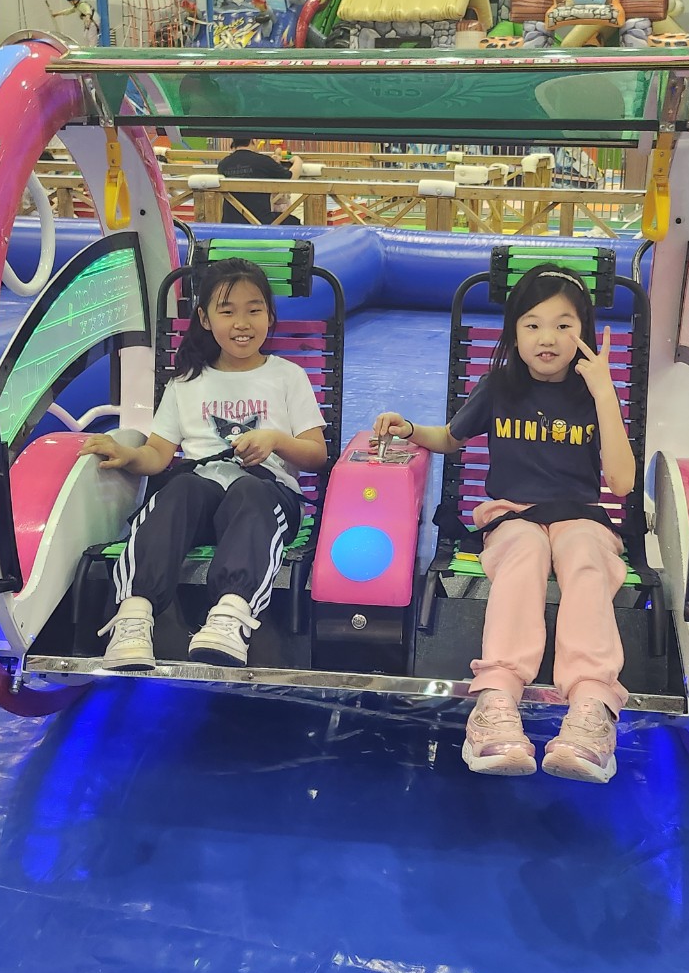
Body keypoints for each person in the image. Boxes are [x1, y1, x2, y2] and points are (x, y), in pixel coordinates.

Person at [372, 265, 636, 784]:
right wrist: (411, 429)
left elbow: (622, 482)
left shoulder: (593, 394)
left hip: (580, 516)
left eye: (564, 325)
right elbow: (451, 438)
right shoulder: (498, 387)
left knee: (586, 557)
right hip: (513, 515)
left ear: (583, 332)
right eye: (533, 324)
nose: (547, 338)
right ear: (514, 332)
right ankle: (496, 699)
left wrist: (605, 392)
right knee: (525, 553)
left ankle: (592, 706)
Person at [79, 257, 327, 671]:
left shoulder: (287, 376)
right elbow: (159, 455)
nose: (242, 323)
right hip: (202, 496)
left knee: (249, 489)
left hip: (267, 498)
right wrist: (129, 455)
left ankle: (230, 616)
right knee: (180, 488)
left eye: (254, 310)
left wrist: (275, 440)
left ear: (270, 315)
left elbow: (316, 455)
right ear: (205, 319)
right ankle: (134, 617)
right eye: (227, 311)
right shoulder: (186, 382)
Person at [217, 135, 303, 226]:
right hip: (261, 221)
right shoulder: (263, 161)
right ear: (253, 140)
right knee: (294, 222)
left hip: (230, 222)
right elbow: (290, 179)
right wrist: (297, 160)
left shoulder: (223, 164)